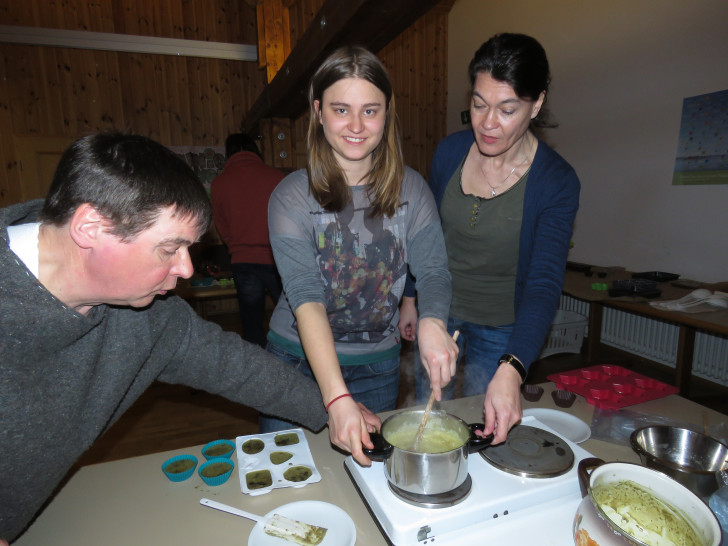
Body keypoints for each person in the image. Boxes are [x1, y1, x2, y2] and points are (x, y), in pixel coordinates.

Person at [0, 132, 379, 544]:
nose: (185, 268)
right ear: (91, 227)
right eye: (169, 249)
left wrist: (333, 407)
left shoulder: (149, 316)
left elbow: (235, 366)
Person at [259, 46, 457, 460]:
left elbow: (434, 270)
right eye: (340, 109)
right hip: (295, 364)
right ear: (318, 112)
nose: (356, 125)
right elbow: (305, 297)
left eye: (370, 110)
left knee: (363, 477)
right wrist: (334, 399)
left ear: (387, 113)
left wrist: (432, 322)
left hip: (376, 367)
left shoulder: (413, 189)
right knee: (288, 478)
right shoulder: (290, 195)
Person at [400, 33, 580, 444]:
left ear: (536, 104)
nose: (487, 123)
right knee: (427, 412)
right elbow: (424, 236)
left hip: (503, 326)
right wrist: (411, 299)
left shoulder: (556, 181)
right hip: (437, 311)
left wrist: (513, 366)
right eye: (479, 104)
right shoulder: (449, 152)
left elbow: (543, 283)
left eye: (507, 109)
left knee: (484, 423)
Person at [211, 133, 284, 347]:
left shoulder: (219, 183)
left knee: (251, 322)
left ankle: (256, 371)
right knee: (293, 317)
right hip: (275, 257)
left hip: (242, 259)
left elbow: (221, 223)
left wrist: (234, 245)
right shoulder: (275, 176)